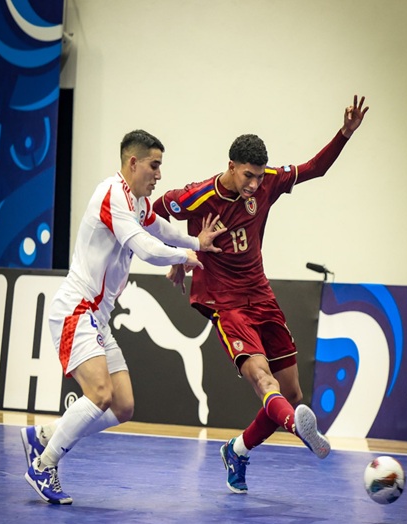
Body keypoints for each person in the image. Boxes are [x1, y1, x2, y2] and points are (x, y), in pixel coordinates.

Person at [153, 96, 369, 494]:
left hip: (261, 295)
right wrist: (183, 253)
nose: (254, 184)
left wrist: (344, 134)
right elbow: (156, 211)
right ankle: (297, 428)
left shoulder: (268, 181)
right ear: (231, 166)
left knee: (292, 393)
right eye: (248, 176)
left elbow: (313, 169)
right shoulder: (198, 196)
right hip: (225, 302)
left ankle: (237, 449)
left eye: (258, 177)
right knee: (261, 379)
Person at [20, 130, 224, 504]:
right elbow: (142, 245)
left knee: (123, 405)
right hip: (76, 309)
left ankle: (45, 435)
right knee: (99, 394)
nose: (159, 175)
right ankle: (44, 464)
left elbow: (157, 228)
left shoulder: (136, 201)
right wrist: (184, 257)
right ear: (133, 162)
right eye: (154, 165)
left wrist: (195, 242)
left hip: (97, 317)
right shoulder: (112, 193)